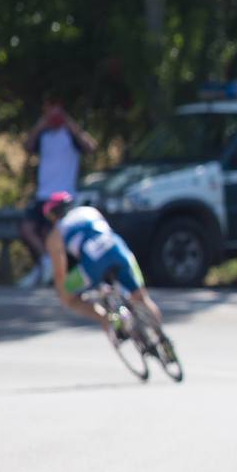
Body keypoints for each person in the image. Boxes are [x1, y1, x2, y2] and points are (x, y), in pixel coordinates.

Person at [41, 192, 165, 338]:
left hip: (92, 263)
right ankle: (162, 339)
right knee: (141, 297)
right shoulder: (90, 211)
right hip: (118, 249)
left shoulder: (56, 233)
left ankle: (107, 319)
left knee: (67, 297)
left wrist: (62, 290)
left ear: (53, 216)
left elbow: (60, 272)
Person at [17, 97, 97, 287]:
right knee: (27, 229)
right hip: (43, 194)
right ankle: (46, 263)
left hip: (63, 196)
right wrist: (40, 125)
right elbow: (27, 147)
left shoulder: (71, 135)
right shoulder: (43, 135)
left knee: (53, 235)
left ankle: (57, 272)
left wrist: (70, 124)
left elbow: (91, 147)